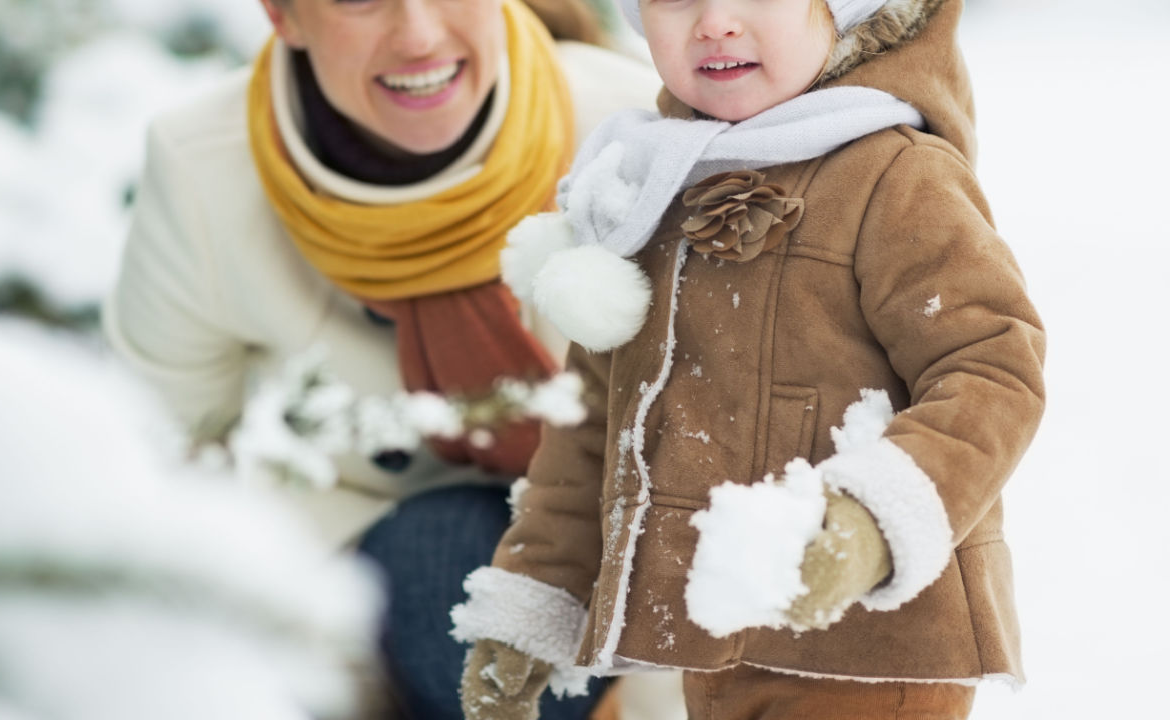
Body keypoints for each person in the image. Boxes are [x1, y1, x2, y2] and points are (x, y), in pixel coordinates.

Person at [452, 0, 1045, 718]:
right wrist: (533, 606)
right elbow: (592, 435)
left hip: (875, 651)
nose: (716, 22)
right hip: (719, 637)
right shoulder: (651, 187)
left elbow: (991, 368)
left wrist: (870, 522)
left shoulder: (895, 176)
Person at [103, 0, 668, 717]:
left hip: (629, 541)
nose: (420, 36)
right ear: (284, 14)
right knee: (448, 564)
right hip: (373, 552)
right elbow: (164, 448)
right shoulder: (204, 173)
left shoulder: (633, 125)